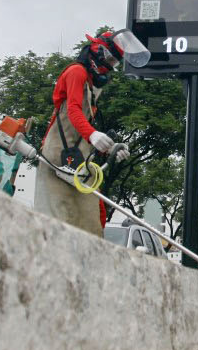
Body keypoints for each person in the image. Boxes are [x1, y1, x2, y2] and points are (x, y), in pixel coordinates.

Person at [34, 29, 133, 235]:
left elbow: (84, 127)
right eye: (109, 58)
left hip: (78, 159)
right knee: (59, 219)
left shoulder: (92, 87)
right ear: (97, 50)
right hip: (58, 155)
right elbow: (72, 111)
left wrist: (110, 148)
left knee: (92, 220)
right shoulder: (76, 72)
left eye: (114, 62)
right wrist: (93, 135)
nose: (109, 65)